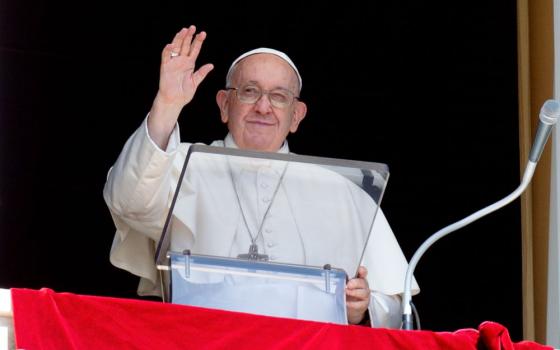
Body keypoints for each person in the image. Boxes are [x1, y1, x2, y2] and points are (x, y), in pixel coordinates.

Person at [103, 25, 419, 328]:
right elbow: (128, 200)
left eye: (279, 96)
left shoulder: (340, 190)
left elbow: (395, 306)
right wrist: (168, 105)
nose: (264, 107)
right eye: (250, 92)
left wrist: (361, 309)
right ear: (225, 105)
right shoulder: (183, 165)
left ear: (296, 115)